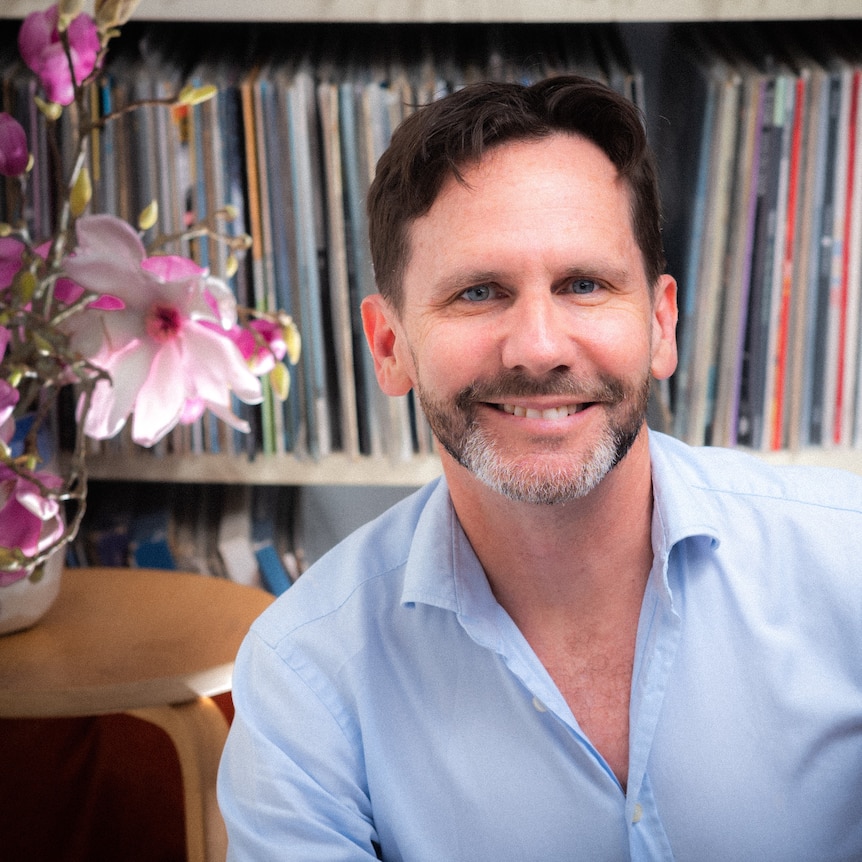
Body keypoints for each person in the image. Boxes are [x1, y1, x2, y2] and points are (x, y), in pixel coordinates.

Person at [217, 76, 862, 861]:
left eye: (584, 285)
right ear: (390, 348)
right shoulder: (305, 678)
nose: (539, 347)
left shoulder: (848, 564)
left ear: (660, 324)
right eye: (479, 292)